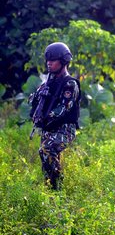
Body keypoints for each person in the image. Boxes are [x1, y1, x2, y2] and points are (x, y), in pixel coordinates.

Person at [29, 42, 81, 190]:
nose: (49, 63)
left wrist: (45, 117)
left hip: (65, 128)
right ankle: (51, 189)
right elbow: (33, 102)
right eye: (47, 60)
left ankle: (56, 188)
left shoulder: (70, 84)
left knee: (46, 150)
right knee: (48, 161)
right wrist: (38, 99)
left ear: (64, 61)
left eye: (53, 60)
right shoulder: (48, 83)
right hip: (49, 128)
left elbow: (63, 109)